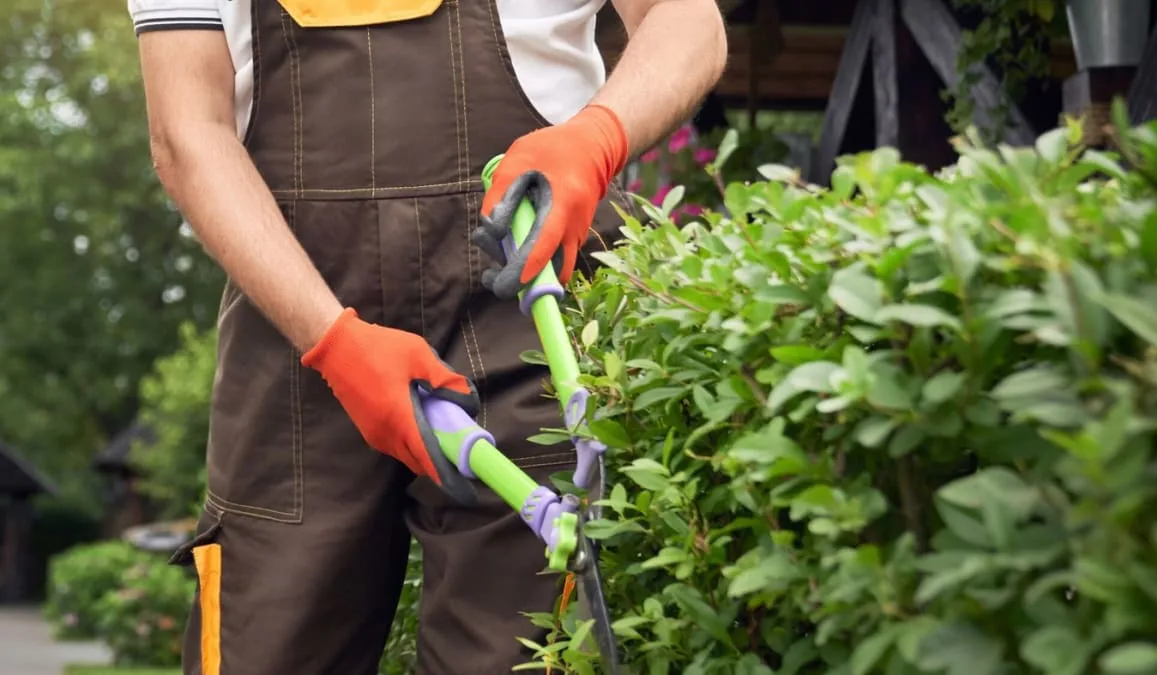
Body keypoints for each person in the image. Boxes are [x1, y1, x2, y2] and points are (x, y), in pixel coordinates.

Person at [126, 0, 727, 672]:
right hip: (295, 332)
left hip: (525, 310)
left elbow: (686, 20)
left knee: (522, 650)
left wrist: (596, 138)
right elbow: (187, 129)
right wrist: (334, 341)